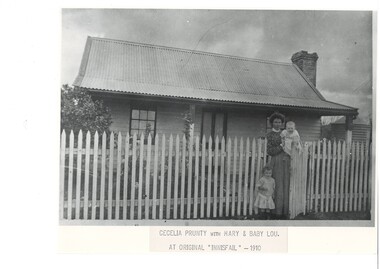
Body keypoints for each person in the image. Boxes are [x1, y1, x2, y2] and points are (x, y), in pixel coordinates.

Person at [266, 111, 290, 219]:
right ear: (272, 123)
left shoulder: (285, 133)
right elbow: (270, 151)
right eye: (275, 122)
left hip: (286, 160)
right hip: (276, 161)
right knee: (278, 185)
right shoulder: (270, 134)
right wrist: (281, 147)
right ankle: (276, 212)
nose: (277, 124)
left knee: (286, 185)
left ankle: (285, 211)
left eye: (279, 122)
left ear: (282, 123)